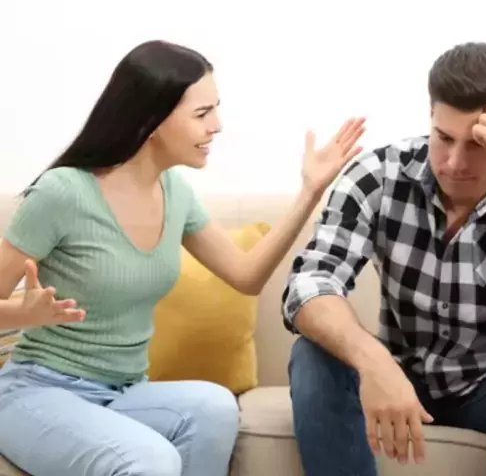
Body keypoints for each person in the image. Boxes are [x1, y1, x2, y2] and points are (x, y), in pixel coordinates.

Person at [0, 39, 365, 476]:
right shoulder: (63, 192)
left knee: (215, 407)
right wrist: (24, 314)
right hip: (36, 392)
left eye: (216, 109)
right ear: (151, 119)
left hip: (122, 392)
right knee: (150, 459)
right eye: (202, 113)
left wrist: (309, 192)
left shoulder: (175, 193)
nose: (217, 125)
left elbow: (246, 276)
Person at [282, 42, 486, 476]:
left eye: (478, 144)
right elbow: (308, 284)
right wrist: (373, 360)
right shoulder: (380, 175)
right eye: (444, 138)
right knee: (313, 354)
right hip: (402, 375)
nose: (454, 162)